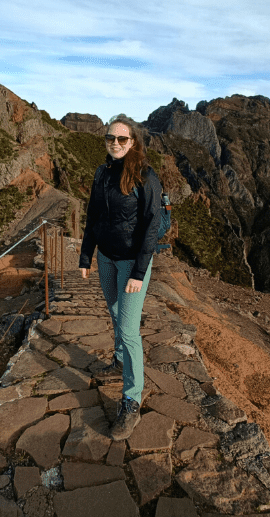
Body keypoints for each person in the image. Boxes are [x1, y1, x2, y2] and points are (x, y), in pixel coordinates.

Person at [78, 113, 163, 441]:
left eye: (122, 139)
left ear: (133, 142)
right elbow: (93, 216)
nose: (115, 143)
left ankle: (132, 400)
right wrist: (86, 256)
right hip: (106, 259)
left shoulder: (145, 176)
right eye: (110, 138)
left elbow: (152, 225)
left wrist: (140, 272)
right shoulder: (102, 173)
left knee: (129, 331)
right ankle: (117, 362)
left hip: (131, 264)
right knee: (115, 315)